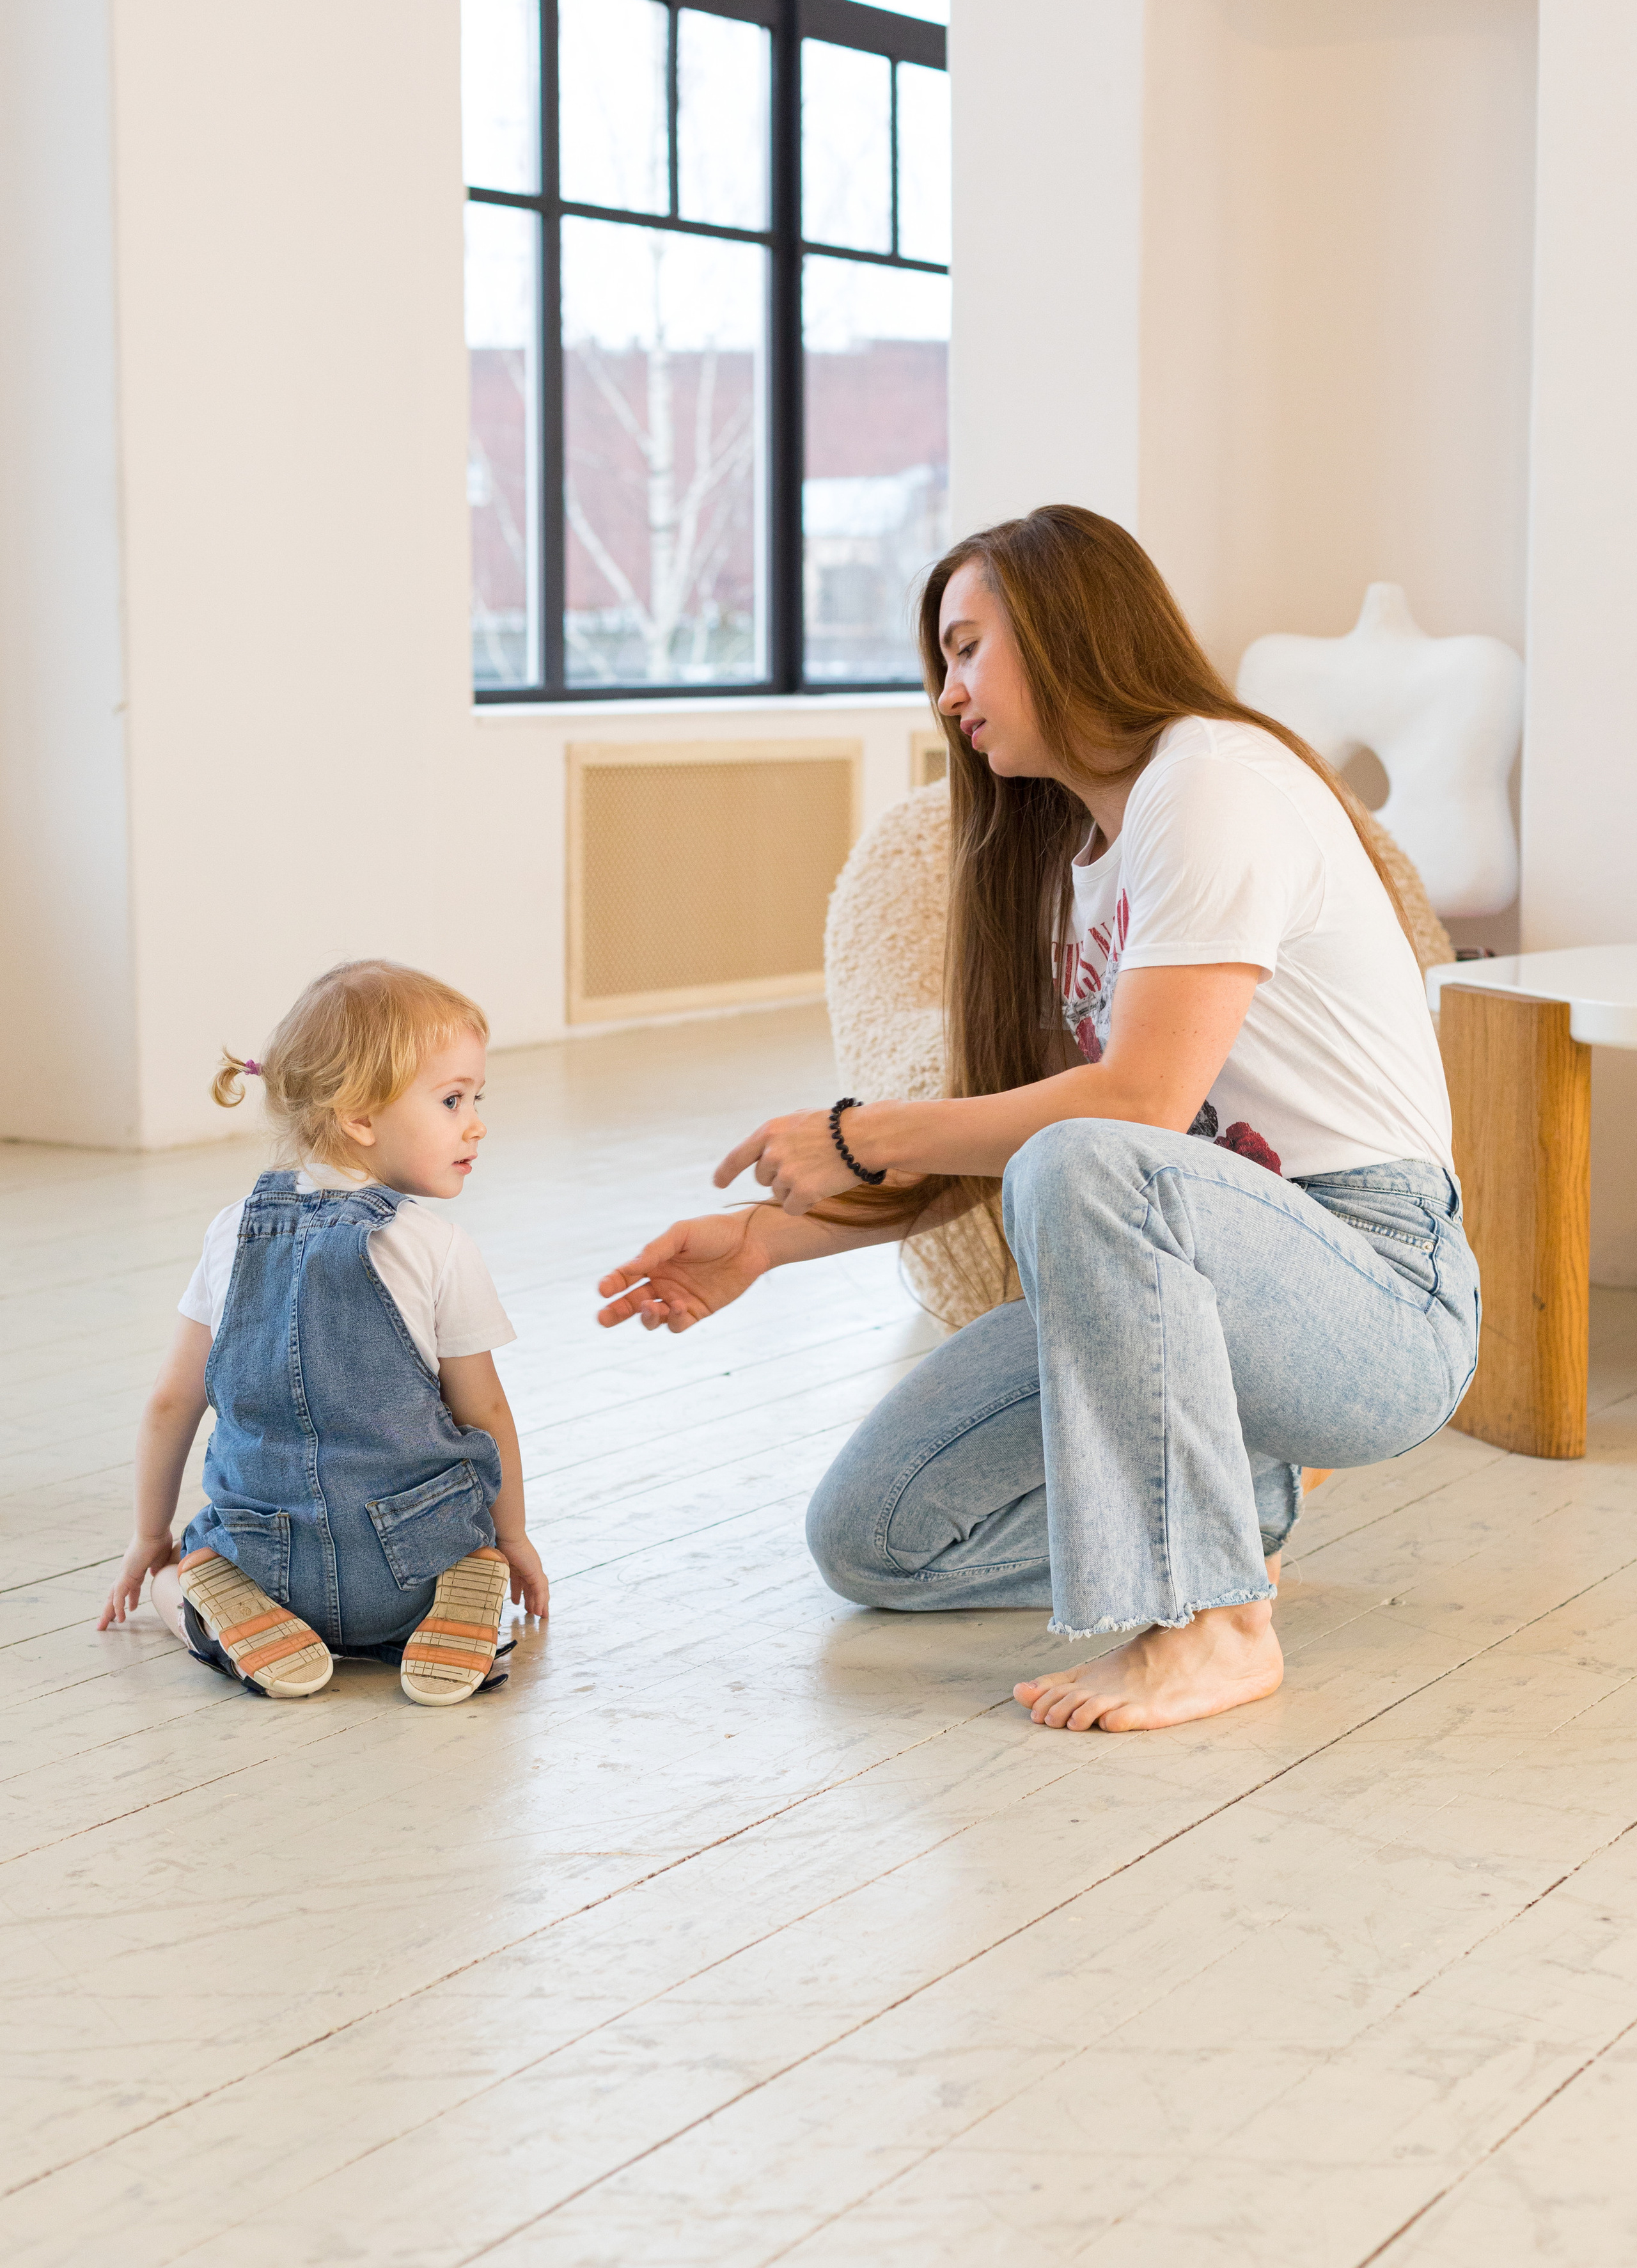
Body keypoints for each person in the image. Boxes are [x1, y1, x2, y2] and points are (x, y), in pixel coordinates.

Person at [596, 506, 1480, 1735]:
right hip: (1184, 1280)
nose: (949, 693)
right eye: (940, 664)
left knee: (1087, 1157)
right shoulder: (1071, 859)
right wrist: (767, 1240)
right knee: (876, 1540)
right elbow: (1033, 1140)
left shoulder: (1211, 781)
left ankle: (1212, 1619)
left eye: (967, 648)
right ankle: (1229, 1507)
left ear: (1068, 628)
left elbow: (1137, 1111)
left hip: (1377, 1293)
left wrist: (861, 1131)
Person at [98, 960, 549, 1706]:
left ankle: (233, 1617)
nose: (477, 1122)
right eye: (451, 1099)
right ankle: (454, 1614)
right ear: (361, 1117)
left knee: (173, 1583)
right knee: (455, 1556)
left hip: (269, 1562)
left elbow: (171, 1404)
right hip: (413, 1558)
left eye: (473, 1097)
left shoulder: (230, 1233)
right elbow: (486, 1415)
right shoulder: (436, 1247)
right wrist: (513, 1539)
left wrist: (150, 1537)